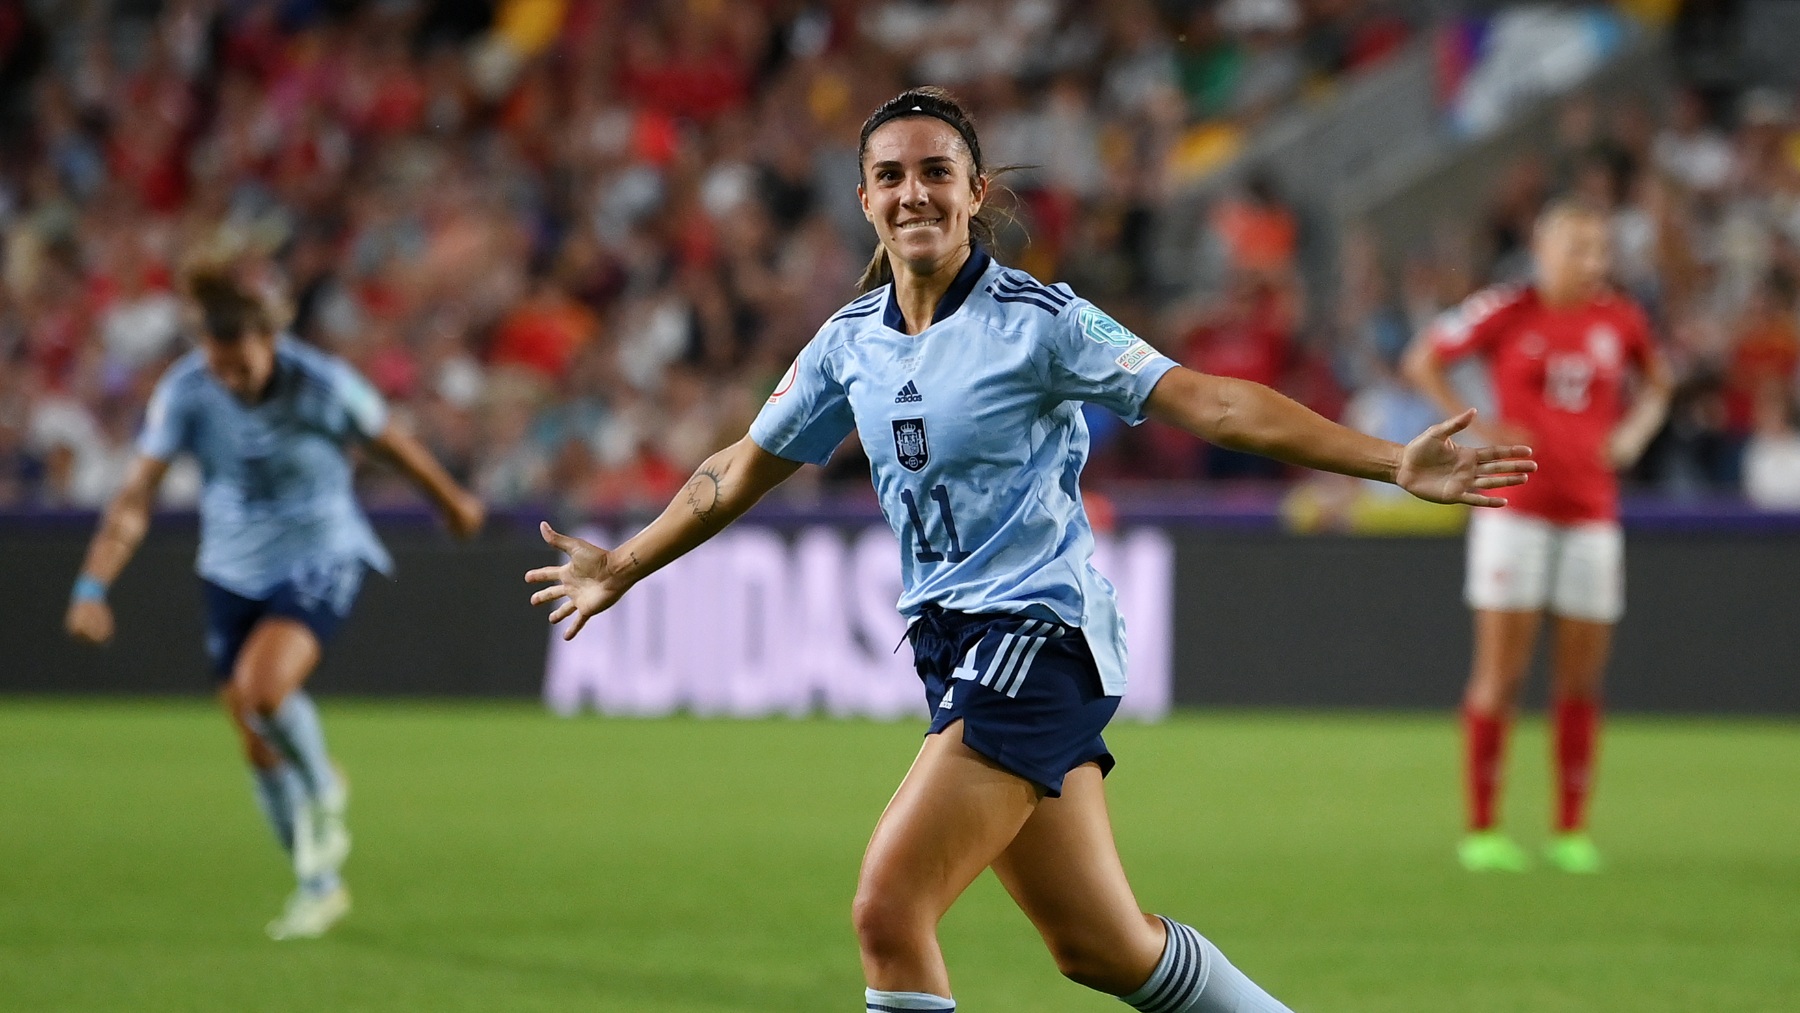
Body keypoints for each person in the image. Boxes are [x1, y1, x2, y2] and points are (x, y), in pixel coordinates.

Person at [528, 88, 1534, 1013]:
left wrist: (1387, 460)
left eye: (934, 171)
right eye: (891, 175)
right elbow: (741, 468)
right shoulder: (848, 344)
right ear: (865, 200)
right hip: (954, 644)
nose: (913, 191)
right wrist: (625, 562)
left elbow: (1213, 401)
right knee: (1103, 946)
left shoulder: (1037, 322)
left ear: (975, 192)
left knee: (888, 907)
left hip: (1033, 635)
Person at [65, 263, 486, 938]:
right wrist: (92, 585)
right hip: (231, 568)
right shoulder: (186, 391)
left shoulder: (321, 382)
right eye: (219, 368)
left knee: (261, 690)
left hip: (321, 553)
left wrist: (452, 502)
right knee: (249, 728)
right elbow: (137, 493)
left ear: (270, 340)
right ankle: (316, 882)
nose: (231, 382)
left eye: (242, 368)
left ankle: (323, 782)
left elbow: (395, 446)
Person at [1405, 197, 1672, 874]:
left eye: (1600, 250)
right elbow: (1422, 360)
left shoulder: (1620, 318)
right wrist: (1481, 429)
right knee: (1501, 674)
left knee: (1580, 679)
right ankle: (1484, 827)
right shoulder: (1507, 308)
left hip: (1591, 512)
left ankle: (1570, 828)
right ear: (1544, 251)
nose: (1593, 263)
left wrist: (1631, 434)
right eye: (1578, 248)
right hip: (1512, 509)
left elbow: (1659, 385)